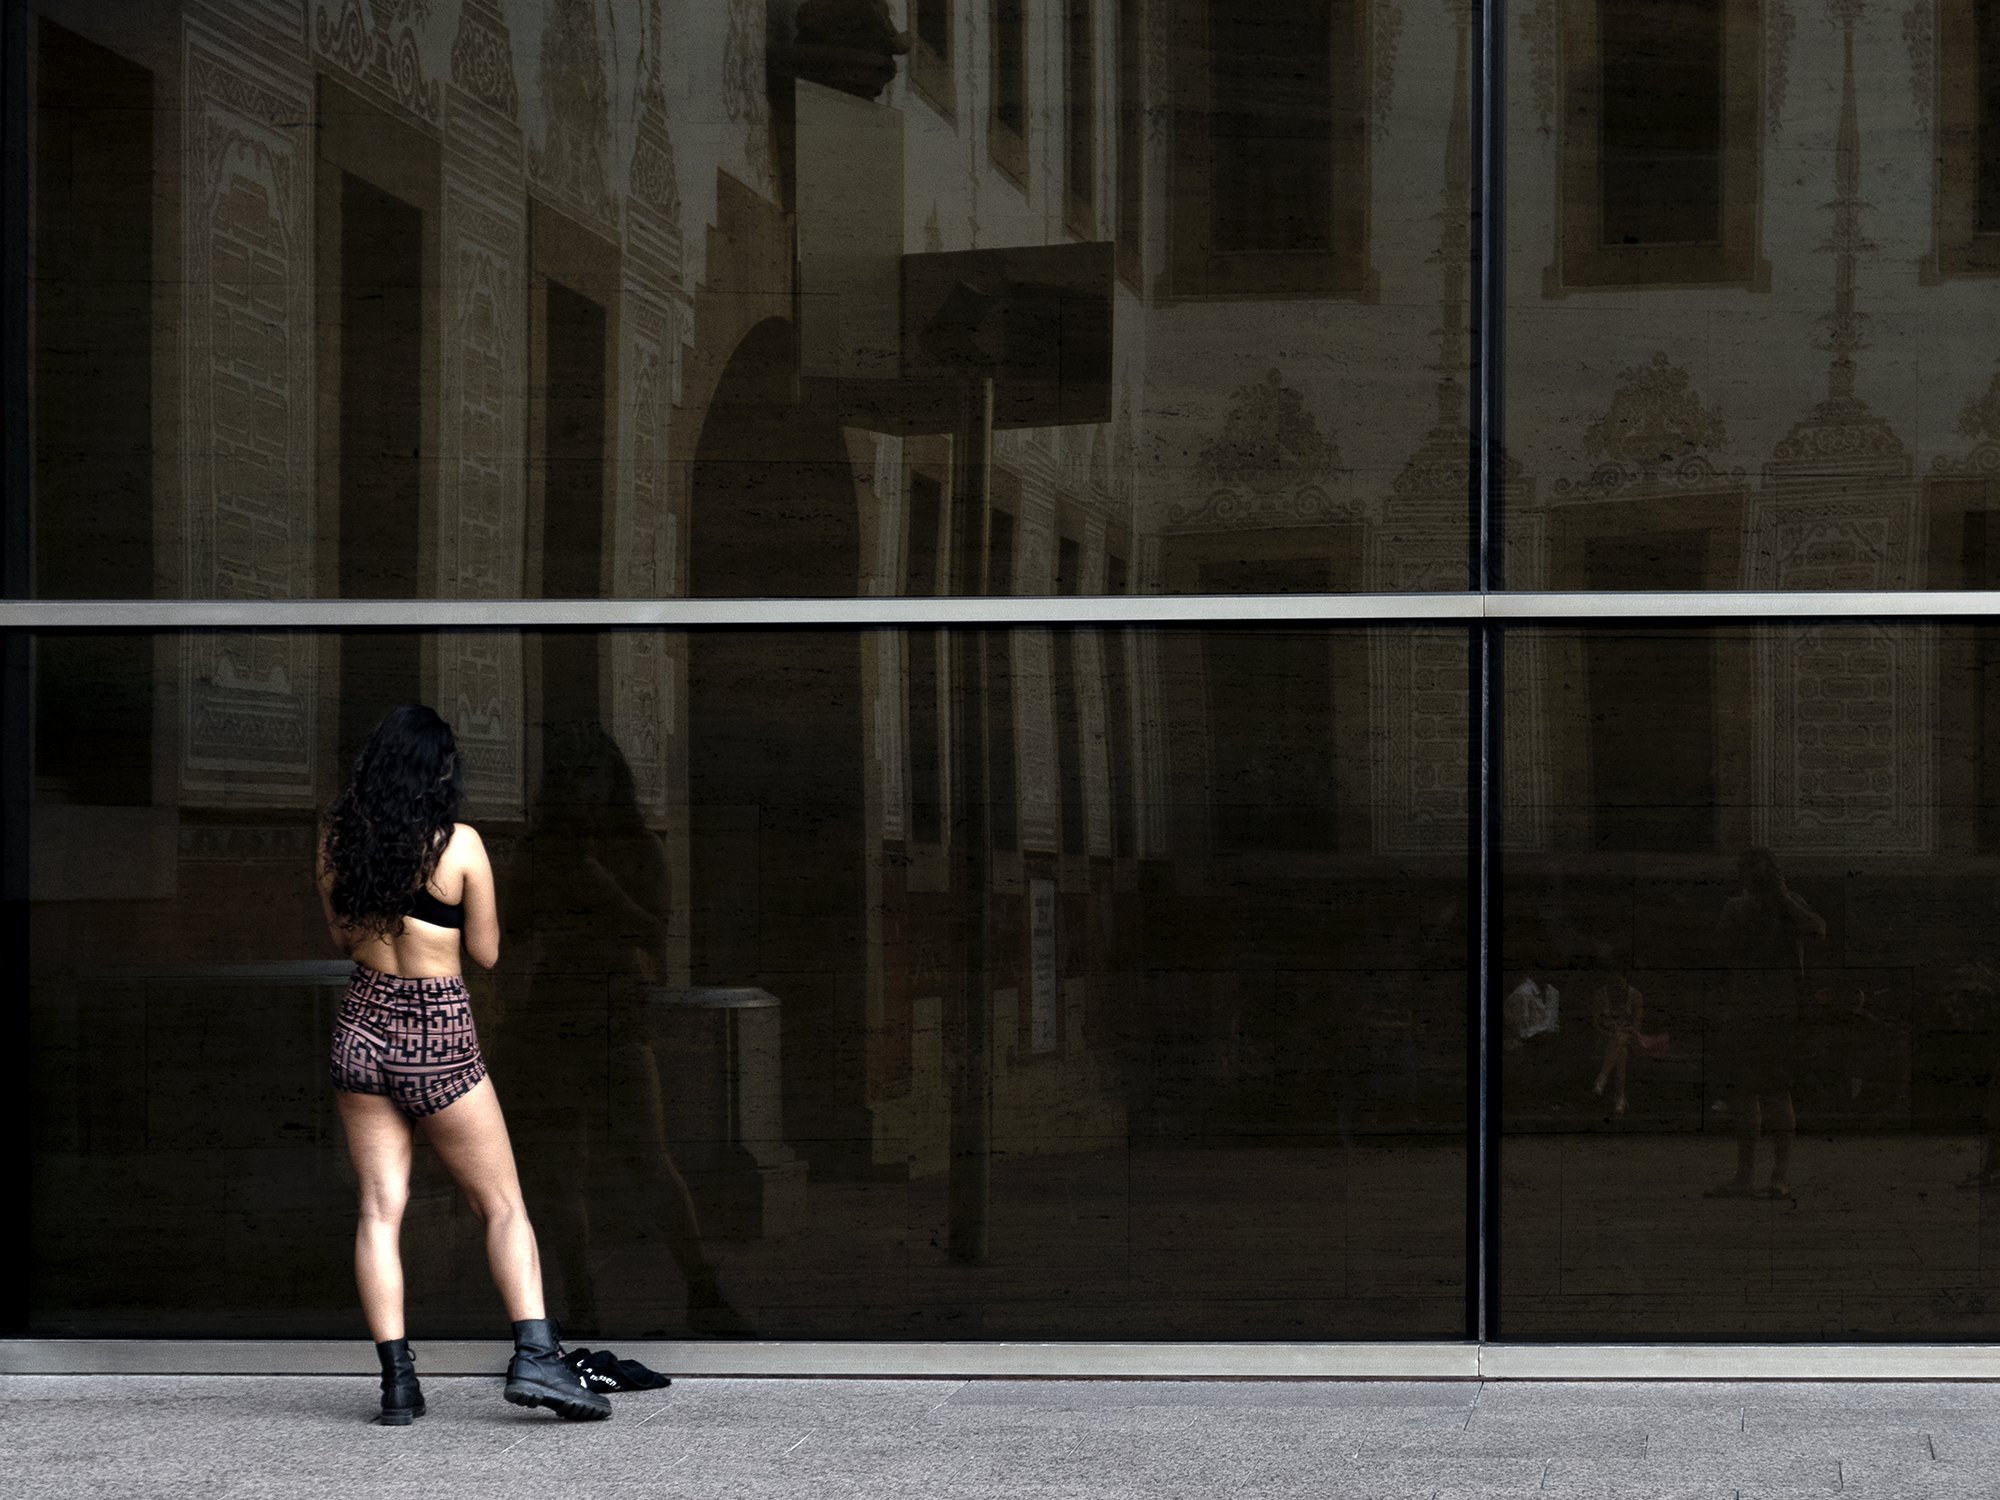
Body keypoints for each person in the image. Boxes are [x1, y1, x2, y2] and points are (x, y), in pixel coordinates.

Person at [318, 704, 612, 1425]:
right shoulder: (461, 846)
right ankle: (538, 1360)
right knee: (503, 1204)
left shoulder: (334, 842)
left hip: (361, 1025)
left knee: (380, 1210)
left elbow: (340, 937)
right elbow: (486, 953)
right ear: (440, 773)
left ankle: (397, 1385)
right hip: (436, 1030)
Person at [1705, 848, 1825, 1201]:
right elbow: (1721, 950)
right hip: (1746, 1009)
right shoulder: (1735, 907)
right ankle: (1746, 1176)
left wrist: (1783, 899)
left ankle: (1778, 1176)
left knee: (1775, 1092)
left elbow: (1817, 929)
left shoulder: (1788, 904)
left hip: (1778, 1012)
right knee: (1745, 1094)